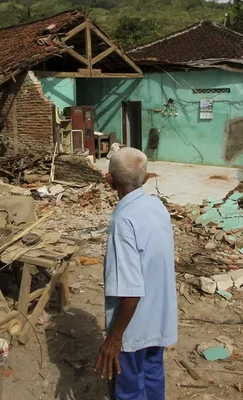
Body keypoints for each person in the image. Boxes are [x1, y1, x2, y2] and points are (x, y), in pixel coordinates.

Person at [95, 147, 177, 400]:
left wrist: (114, 338)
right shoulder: (157, 206)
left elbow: (130, 290)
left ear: (109, 181)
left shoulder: (123, 220)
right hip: (158, 318)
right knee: (152, 376)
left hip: (134, 326)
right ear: (146, 177)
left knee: (129, 390)